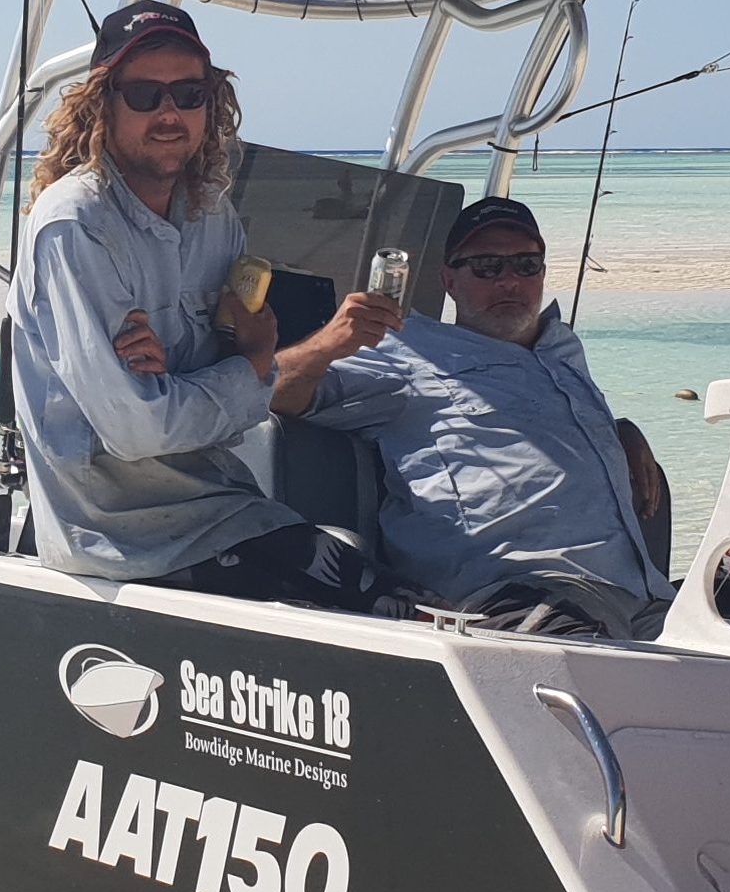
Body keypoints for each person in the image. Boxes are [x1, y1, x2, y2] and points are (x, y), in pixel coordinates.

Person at [6, 0, 374, 611]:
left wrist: (189, 380)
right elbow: (136, 430)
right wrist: (253, 364)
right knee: (370, 612)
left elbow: (188, 401)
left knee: (389, 592)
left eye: (190, 93)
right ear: (105, 104)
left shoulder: (213, 217)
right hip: (120, 539)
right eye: (145, 94)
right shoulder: (76, 225)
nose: (170, 112)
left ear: (212, 103)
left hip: (223, 507)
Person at [265, 194, 672, 638]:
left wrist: (620, 430)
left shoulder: (562, 349)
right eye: (487, 267)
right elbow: (269, 392)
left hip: (641, 594)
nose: (509, 282)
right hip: (521, 592)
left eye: (526, 265)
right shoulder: (409, 351)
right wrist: (329, 344)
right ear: (449, 281)